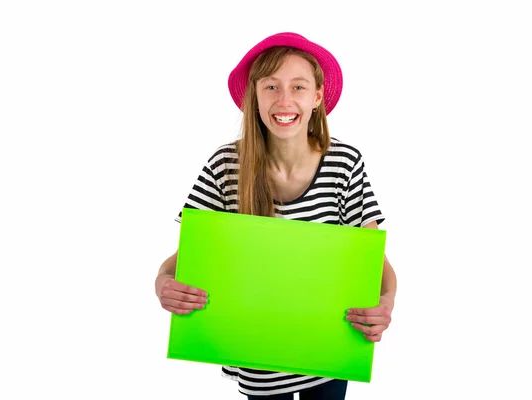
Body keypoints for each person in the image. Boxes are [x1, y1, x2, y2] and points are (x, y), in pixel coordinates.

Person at [155, 32, 397, 399]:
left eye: (298, 87)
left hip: (328, 355)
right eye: (271, 86)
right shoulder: (225, 166)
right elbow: (180, 264)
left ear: (317, 97)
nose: (284, 100)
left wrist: (386, 303)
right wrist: (163, 285)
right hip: (259, 363)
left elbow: (375, 264)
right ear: (254, 95)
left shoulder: (345, 163)